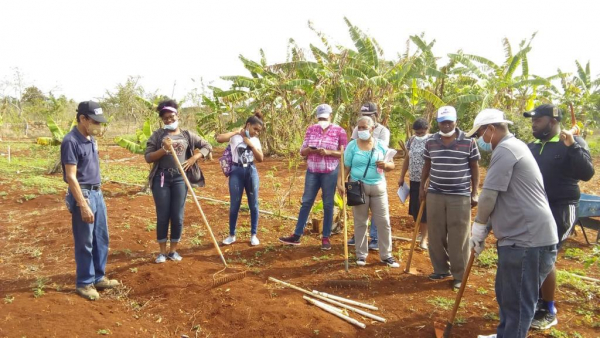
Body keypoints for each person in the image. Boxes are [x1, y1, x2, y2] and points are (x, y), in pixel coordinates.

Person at [465, 109, 559, 338]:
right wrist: (485, 229)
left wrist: (477, 226)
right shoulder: (512, 147)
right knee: (507, 295)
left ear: (491, 129)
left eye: (479, 134)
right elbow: (504, 198)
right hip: (519, 237)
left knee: (517, 302)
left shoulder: (506, 149)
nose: (479, 140)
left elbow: (488, 195)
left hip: (527, 239)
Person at [523, 104, 595, 330]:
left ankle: (548, 309)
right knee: (532, 254)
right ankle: (533, 302)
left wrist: (572, 146)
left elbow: (587, 173)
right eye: (532, 119)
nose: (533, 123)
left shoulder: (572, 144)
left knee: (546, 253)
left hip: (562, 208)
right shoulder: (531, 147)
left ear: (553, 121)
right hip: (535, 208)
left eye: (538, 119)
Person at [61, 101, 119, 300]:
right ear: (83, 119)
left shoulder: (92, 139)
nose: (98, 126)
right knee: (85, 240)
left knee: (101, 238)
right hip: (83, 194)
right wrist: (83, 205)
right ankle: (85, 282)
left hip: (97, 192)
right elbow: (71, 176)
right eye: (95, 121)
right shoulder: (71, 141)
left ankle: (98, 277)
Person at [145, 99, 212, 263]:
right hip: (162, 178)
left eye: (171, 116)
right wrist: (163, 150)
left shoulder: (187, 135)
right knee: (163, 215)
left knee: (177, 215)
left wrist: (194, 157)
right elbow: (148, 157)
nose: (168, 120)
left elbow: (207, 146)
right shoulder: (158, 135)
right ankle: (162, 252)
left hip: (180, 179)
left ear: (177, 115)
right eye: (165, 118)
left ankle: (173, 251)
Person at [420, 106, 480, 290]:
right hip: (435, 192)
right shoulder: (431, 141)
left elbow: (474, 167)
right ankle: (440, 269)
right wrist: (423, 187)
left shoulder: (469, 142)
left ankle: (459, 275)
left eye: (449, 122)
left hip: (459, 194)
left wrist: (475, 191)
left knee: (459, 236)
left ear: (456, 121)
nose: (446, 125)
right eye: (442, 122)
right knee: (436, 233)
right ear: (437, 123)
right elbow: (427, 164)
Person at [279, 104, 347, 250]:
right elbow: (302, 151)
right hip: (313, 170)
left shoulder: (339, 131)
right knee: (307, 202)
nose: (322, 119)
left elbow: (344, 152)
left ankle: (326, 237)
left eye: (325, 117)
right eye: (320, 117)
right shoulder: (311, 129)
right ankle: (297, 235)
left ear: (330, 115)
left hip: (330, 171)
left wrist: (329, 152)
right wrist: (309, 150)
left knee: (328, 204)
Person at [337, 116, 399, 267]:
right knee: (360, 222)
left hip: (378, 187)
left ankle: (386, 255)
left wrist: (385, 165)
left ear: (372, 129)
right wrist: (340, 183)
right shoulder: (352, 146)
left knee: (383, 222)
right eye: (360, 127)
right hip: (358, 188)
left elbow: (392, 165)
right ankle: (361, 255)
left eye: (365, 127)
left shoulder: (381, 145)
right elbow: (345, 167)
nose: (362, 130)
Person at [216, 112, 265, 246]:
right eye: (255, 129)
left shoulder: (255, 140)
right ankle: (232, 234)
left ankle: (253, 234)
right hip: (236, 171)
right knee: (234, 204)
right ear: (248, 125)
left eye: (259, 131)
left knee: (253, 204)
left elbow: (260, 158)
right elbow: (219, 138)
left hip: (251, 170)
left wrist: (250, 143)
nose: (256, 133)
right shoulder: (235, 137)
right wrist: (235, 132)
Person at [348, 102, 391, 250]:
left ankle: (376, 238)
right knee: (360, 218)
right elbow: (352, 150)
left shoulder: (383, 132)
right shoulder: (356, 132)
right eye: (363, 115)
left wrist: (385, 164)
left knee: (381, 218)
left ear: (375, 116)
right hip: (358, 183)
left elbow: (385, 156)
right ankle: (360, 246)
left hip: (377, 181)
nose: (361, 130)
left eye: (369, 115)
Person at [398, 118, 430, 250]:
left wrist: (429, 179)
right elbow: (407, 158)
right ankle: (421, 233)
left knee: (425, 211)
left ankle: (424, 238)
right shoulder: (411, 140)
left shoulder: (432, 141)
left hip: (427, 181)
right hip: (414, 180)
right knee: (416, 209)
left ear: (427, 130)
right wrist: (401, 176)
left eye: (422, 133)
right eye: (417, 133)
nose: (419, 135)